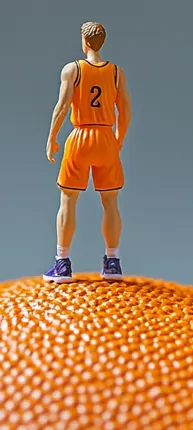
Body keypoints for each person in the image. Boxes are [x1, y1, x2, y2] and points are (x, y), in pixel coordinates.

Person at [43, 22, 131, 283]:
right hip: (105, 136)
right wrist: (119, 139)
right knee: (111, 202)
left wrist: (52, 137)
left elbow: (62, 106)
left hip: (80, 137)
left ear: (84, 41)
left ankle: (62, 263)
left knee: (68, 200)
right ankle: (112, 262)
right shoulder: (116, 72)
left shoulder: (73, 70)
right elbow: (124, 110)